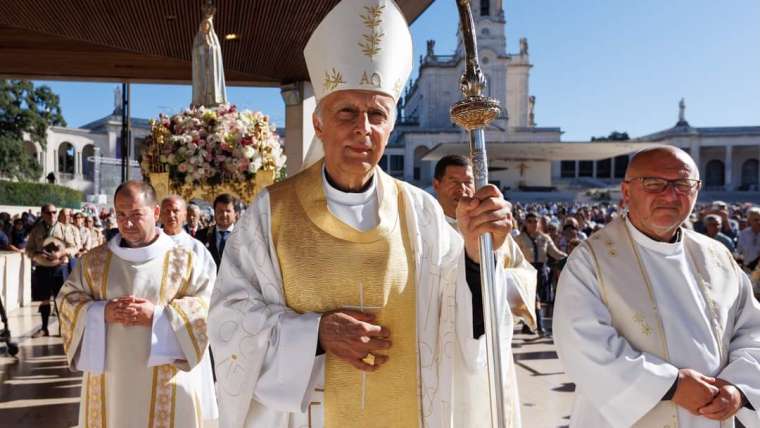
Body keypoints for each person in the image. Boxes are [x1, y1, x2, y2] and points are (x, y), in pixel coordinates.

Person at [209, 1, 517, 426]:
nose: (363, 129)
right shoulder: (271, 212)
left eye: (377, 114)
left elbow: (460, 320)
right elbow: (230, 317)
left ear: (391, 126)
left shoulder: (420, 212)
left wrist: (476, 255)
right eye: (347, 112)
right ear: (318, 123)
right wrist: (314, 334)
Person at [554, 146, 760, 427]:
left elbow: (751, 330)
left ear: (696, 191)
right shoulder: (592, 260)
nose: (669, 194)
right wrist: (671, 384)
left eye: (682, 184)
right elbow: (581, 342)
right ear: (626, 192)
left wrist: (737, 387)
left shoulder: (718, 256)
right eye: (653, 183)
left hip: (713, 415)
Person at [56, 181, 213, 427]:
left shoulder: (186, 262)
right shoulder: (94, 262)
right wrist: (101, 312)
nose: (127, 223)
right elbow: (66, 301)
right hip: (110, 380)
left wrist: (158, 317)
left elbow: (206, 308)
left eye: (136, 214)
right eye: (121, 215)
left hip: (168, 381)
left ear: (155, 212)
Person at [432, 154, 538, 334]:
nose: (462, 189)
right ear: (437, 184)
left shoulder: (491, 229)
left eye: (468, 182)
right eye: (454, 181)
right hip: (440, 331)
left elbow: (525, 272)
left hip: (487, 333)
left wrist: (493, 281)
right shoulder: (424, 227)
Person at [159, 195, 219, 425]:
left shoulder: (196, 249)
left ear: (185, 215)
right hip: (155, 325)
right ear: (158, 213)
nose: (171, 215)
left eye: (176, 210)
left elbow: (208, 289)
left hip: (186, 327)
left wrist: (180, 310)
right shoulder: (148, 244)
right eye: (167, 210)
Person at [25, 204, 79, 337]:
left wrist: (61, 253)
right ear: (42, 214)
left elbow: (75, 247)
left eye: (54, 212)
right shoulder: (36, 230)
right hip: (42, 268)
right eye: (49, 213)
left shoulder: (63, 229)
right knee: (44, 299)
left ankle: (63, 328)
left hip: (60, 268)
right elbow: (28, 249)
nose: (52, 215)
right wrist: (37, 255)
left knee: (60, 299)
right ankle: (44, 328)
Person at [515, 212, 567, 335]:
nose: (533, 224)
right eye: (530, 221)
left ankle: (528, 325)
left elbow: (555, 253)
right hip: (526, 271)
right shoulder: (519, 239)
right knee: (534, 298)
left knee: (535, 299)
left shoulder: (545, 238)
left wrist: (569, 257)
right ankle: (538, 326)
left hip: (541, 270)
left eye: (535, 221)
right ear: (525, 223)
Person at [198, 193, 237, 269]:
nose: (224, 214)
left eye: (228, 211)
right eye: (220, 211)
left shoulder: (244, 236)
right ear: (214, 213)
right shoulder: (201, 236)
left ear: (235, 214)